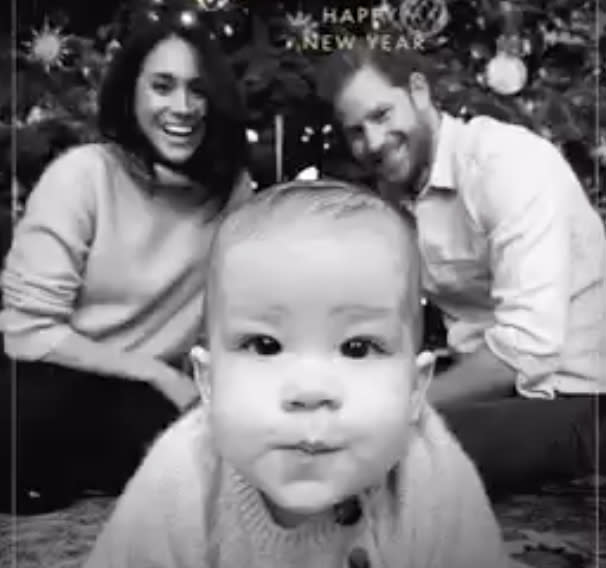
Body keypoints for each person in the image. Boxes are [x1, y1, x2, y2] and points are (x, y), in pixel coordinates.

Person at [84, 179, 523, 568]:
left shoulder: (432, 476)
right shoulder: (179, 481)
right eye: (265, 345)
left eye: (357, 347)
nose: (310, 392)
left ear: (414, 389)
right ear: (209, 383)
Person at [316, 43, 606, 497]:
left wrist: (396, 406)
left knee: (387, 456)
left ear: (418, 91)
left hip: (578, 398)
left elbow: (526, 352)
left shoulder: (506, 164)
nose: (371, 143)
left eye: (382, 115)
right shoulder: (399, 194)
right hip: (505, 392)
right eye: (355, 131)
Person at [0, 0, 251, 514]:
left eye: (198, 90)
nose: (182, 107)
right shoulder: (84, 174)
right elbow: (26, 331)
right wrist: (154, 372)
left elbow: (240, 315)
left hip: (141, 401)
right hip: (48, 375)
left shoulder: (233, 194)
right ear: (131, 95)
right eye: (162, 86)